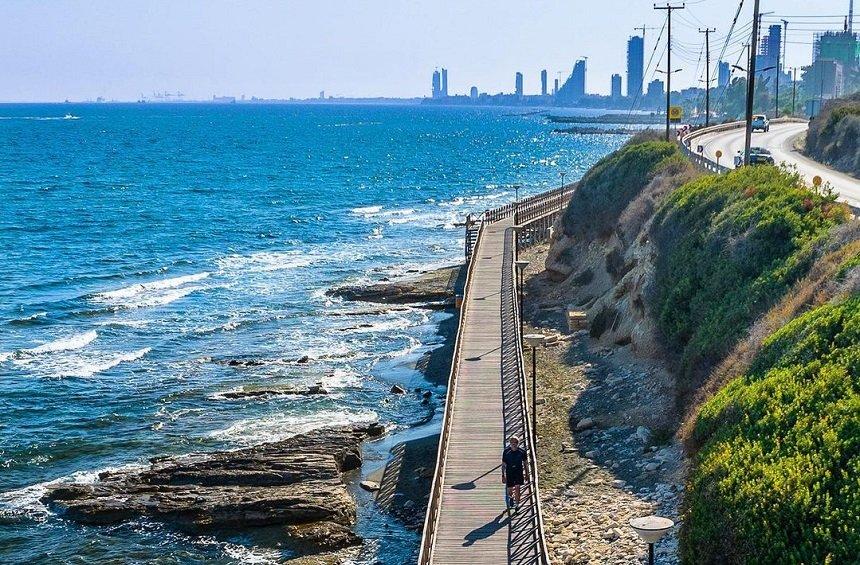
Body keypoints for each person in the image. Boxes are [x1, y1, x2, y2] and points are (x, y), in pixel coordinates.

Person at [501, 435, 528, 510]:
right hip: (509, 472)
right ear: (510, 443)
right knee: (510, 489)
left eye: (515, 442)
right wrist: (503, 475)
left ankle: (517, 505)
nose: (514, 443)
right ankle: (511, 498)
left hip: (518, 472)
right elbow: (503, 464)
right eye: (512, 442)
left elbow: (525, 463)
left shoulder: (522, 452)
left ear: (518, 443)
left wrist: (527, 473)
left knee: (517, 488)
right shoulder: (506, 452)